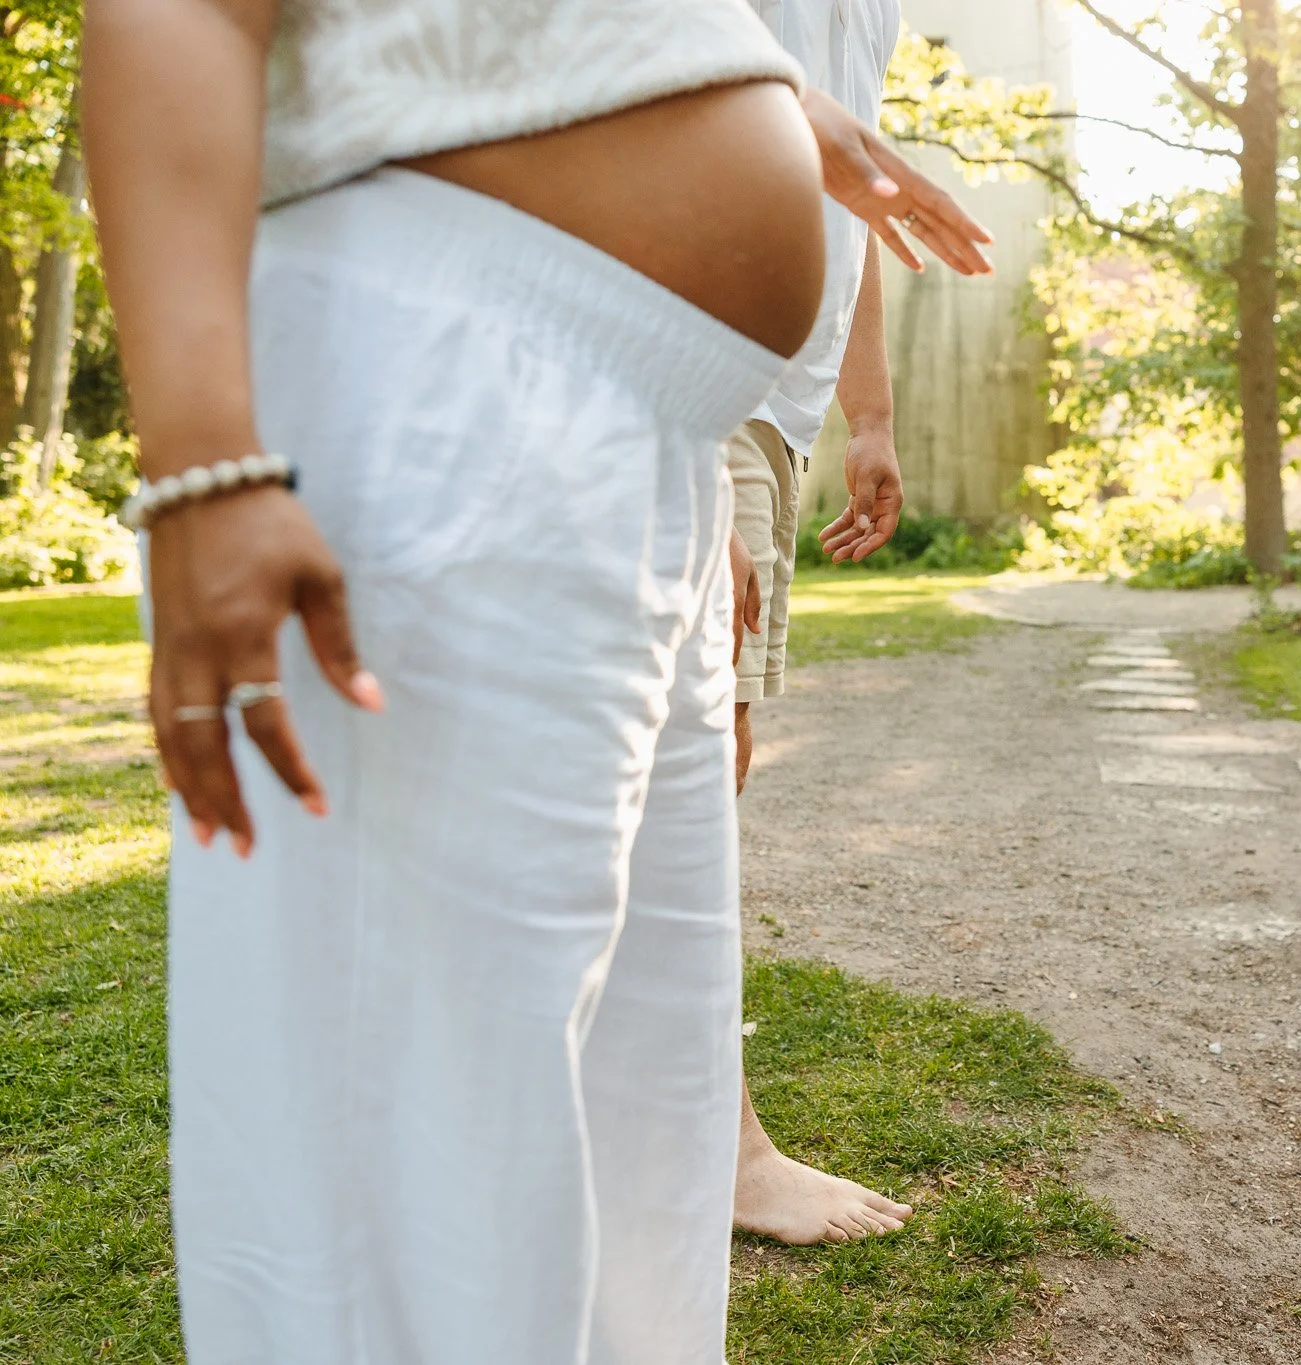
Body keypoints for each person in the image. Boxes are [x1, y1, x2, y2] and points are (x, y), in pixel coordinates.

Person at [82, 0, 988, 1357]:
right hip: (444, 387)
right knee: (424, 1171)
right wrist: (205, 463)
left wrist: (759, 103)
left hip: (647, 450)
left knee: (642, 1142)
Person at [724, 0, 944, 1247]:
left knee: (712, 760)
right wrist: (678, 433)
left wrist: (867, 414)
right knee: (685, 771)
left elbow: (844, 184)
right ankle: (723, 1149)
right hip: (709, 374)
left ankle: (654, 1111)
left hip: (777, 406)